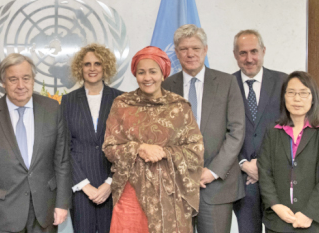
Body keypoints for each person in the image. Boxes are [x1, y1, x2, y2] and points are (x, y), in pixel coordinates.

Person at [103, 46, 204, 233]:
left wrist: (165, 152)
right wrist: (139, 148)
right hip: (131, 192)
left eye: (152, 71)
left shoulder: (179, 107)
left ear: (163, 73)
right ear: (135, 74)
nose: (147, 77)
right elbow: (110, 147)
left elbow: (195, 150)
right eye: (141, 72)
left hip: (170, 195)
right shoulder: (122, 104)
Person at [0, 53, 71, 233]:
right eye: (13, 79)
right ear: (3, 82)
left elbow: (61, 161)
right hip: (3, 213)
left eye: (26, 78)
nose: (20, 85)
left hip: (44, 210)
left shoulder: (52, 108)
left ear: (33, 80)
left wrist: (62, 203)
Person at [162, 24, 245, 233]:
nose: (190, 54)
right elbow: (161, 134)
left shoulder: (227, 82)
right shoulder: (166, 86)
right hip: (177, 187)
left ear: (205, 49)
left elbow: (236, 132)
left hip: (216, 186)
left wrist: (214, 171)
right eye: (184, 49)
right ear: (176, 52)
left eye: (196, 48)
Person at [258, 71, 319, 232]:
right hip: (279, 221)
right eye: (291, 93)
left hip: (316, 222)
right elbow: (264, 172)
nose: (297, 99)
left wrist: (309, 213)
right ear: (284, 97)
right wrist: (275, 205)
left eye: (303, 93)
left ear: (313, 98)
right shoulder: (272, 131)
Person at [61, 43, 123, 233]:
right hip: (81, 188)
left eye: (97, 63)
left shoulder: (121, 99)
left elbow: (126, 145)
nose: (92, 68)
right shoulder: (68, 100)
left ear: (106, 67)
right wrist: (85, 186)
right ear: (80, 68)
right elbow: (65, 147)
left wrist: (110, 182)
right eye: (87, 64)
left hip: (113, 186)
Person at [231, 30, 288, 233]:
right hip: (242, 180)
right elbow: (220, 131)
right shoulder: (225, 85)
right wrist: (242, 163)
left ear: (263, 51)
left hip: (278, 178)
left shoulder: (284, 82)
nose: (249, 58)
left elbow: (291, 128)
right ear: (235, 55)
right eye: (243, 53)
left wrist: (263, 164)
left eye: (254, 51)